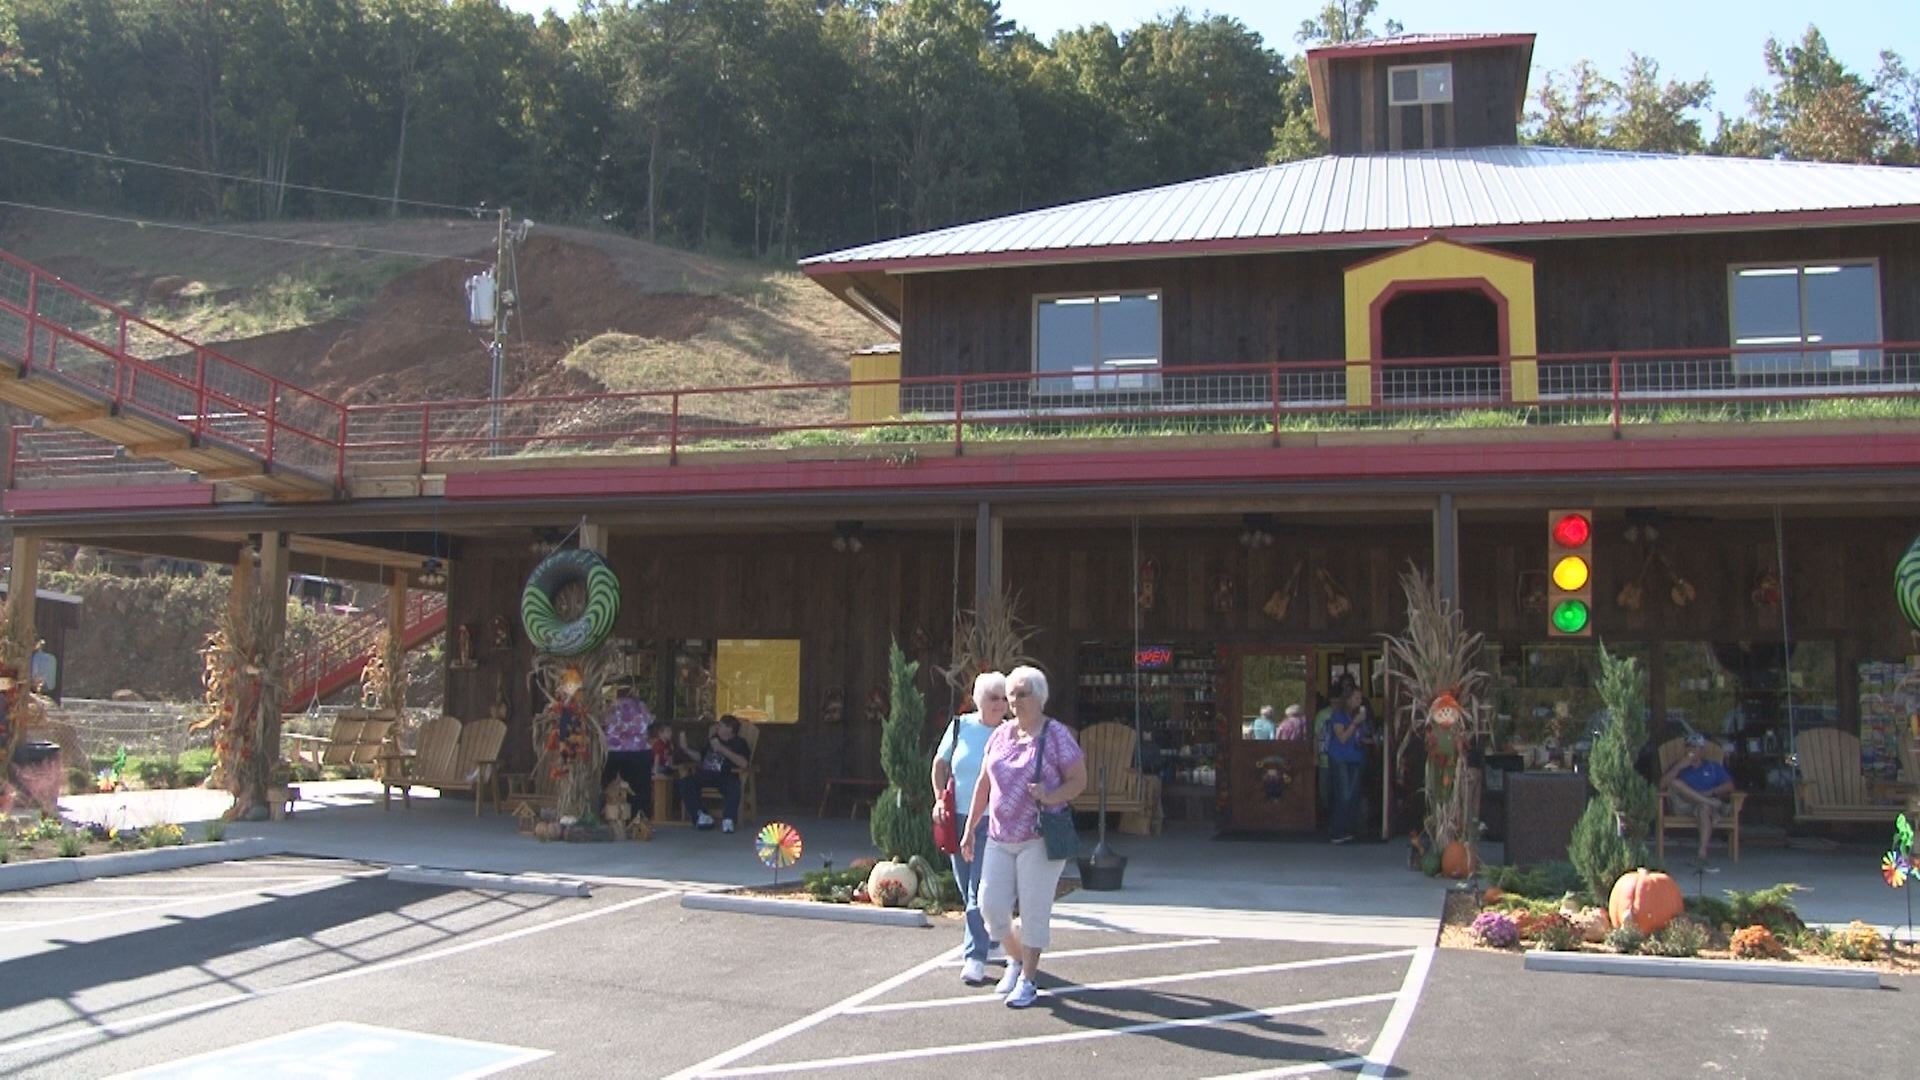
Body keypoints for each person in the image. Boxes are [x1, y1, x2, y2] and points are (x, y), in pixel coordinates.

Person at [962, 665, 1088, 1010]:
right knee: (990, 907)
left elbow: (1079, 780)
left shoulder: (1057, 735)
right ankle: (1015, 960)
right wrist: (971, 826)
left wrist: (1050, 795)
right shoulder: (1001, 736)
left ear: (1040, 697)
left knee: (1033, 911)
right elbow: (984, 784)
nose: (1013, 700)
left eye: (1021, 693)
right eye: (1010, 694)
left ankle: (1029, 981)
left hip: (1039, 836)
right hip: (1001, 835)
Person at [931, 671, 1010, 986]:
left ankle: (974, 957)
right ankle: (990, 938)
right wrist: (938, 799)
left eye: (1004, 698)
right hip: (958, 818)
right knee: (967, 890)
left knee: (978, 892)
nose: (999, 704)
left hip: (994, 820)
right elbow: (939, 764)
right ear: (979, 700)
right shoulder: (961, 726)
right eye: (993, 698)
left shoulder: (1010, 733)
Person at [1661, 734, 1736, 868]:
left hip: (1703, 806)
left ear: (1702, 750)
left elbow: (1729, 786)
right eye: (1689, 746)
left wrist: (1711, 792)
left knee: (1704, 808)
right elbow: (1663, 784)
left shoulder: (1712, 766)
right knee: (1676, 783)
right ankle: (1713, 807)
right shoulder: (1678, 766)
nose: (1692, 750)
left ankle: (1702, 854)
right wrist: (1679, 766)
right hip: (1683, 805)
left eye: (1696, 747)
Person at [677, 714, 752, 833]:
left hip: (726, 775)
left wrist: (721, 749)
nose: (717, 728)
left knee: (734, 786)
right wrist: (686, 749)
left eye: (720, 725)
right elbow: (700, 757)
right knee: (686, 782)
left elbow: (744, 763)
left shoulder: (739, 743)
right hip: (706, 774)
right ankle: (701, 816)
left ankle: (728, 819)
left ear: (730, 728)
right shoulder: (712, 740)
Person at [601, 683, 653, 814]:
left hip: (615, 751)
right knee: (639, 788)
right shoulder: (640, 705)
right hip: (639, 751)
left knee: (611, 785)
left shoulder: (612, 706)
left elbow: (603, 721)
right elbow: (649, 720)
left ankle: (610, 813)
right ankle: (639, 816)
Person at [1326, 686, 1368, 844]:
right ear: (1348, 699)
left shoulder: (1358, 716)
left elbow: (1359, 737)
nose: (1359, 701)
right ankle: (1338, 830)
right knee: (1344, 794)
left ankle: (1349, 829)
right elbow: (1342, 737)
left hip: (1356, 757)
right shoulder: (1338, 715)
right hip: (1341, 758)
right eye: (1356, 698)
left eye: (1360, 699)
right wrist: (1355, 723)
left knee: (1353, 794)